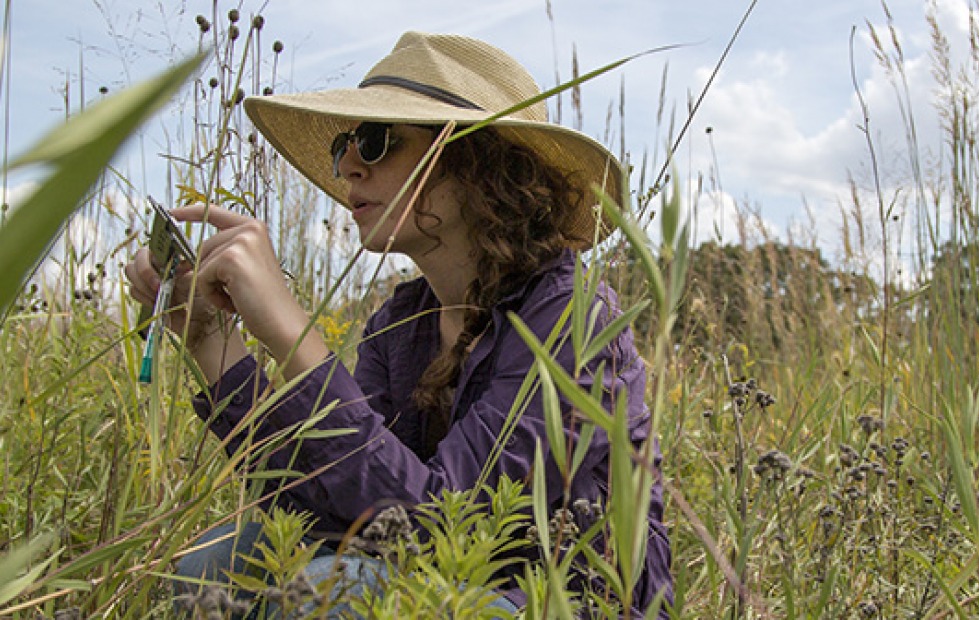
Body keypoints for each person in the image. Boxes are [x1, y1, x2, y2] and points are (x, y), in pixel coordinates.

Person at [124, 31, 671, 616]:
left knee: (339, 587)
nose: (349, 168)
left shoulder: (578, 317)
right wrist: (212, 340)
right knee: (218, 561)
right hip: (444, 579)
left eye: (376, 141)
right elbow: (338, 498)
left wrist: (294, 338)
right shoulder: (403, 320)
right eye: (344, 145)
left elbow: (442, 523)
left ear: (474, 161)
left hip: (564, 601)